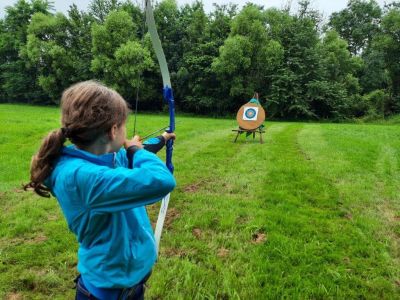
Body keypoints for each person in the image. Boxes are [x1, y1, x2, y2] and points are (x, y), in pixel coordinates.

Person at [24, 80, 176, 300]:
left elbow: (132, 152)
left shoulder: (103, 159)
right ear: (113, 130)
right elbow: (161, 180)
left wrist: (160, 139)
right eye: (123, 126)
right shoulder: (80, 177)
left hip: (129, 285)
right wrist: (135, 150)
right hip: (107, 293)